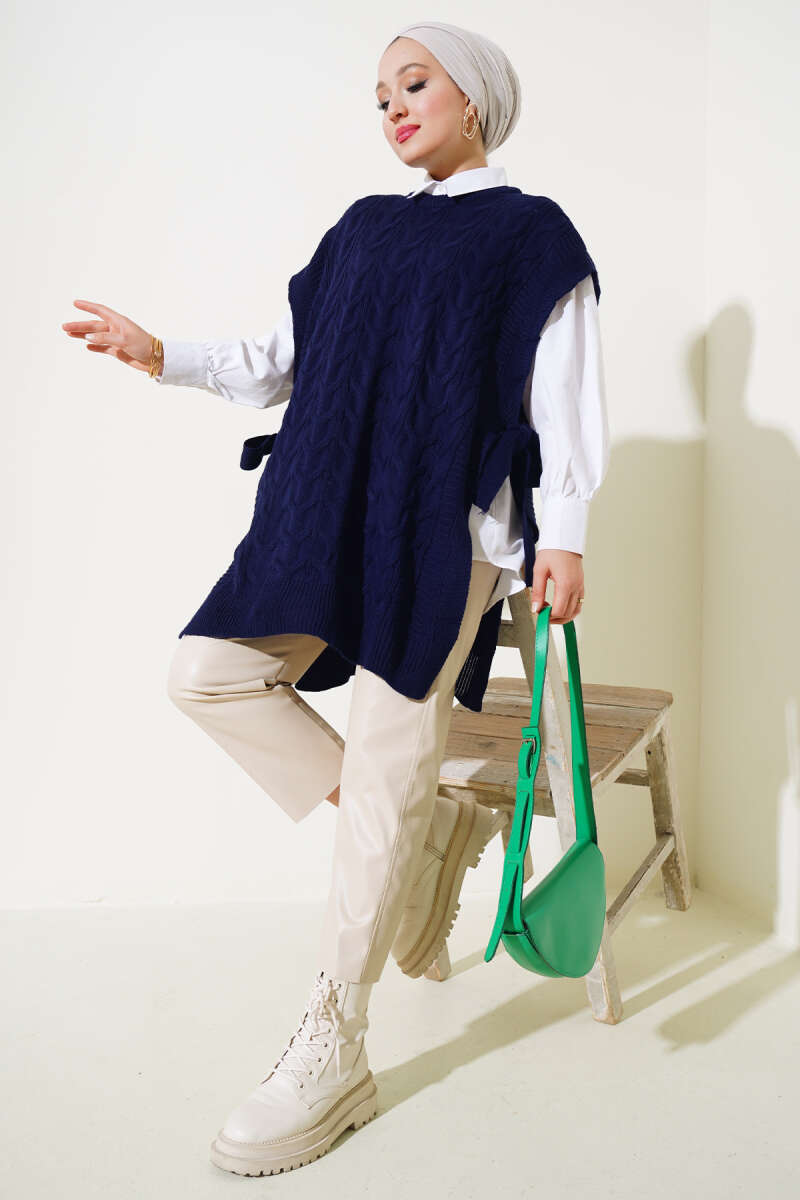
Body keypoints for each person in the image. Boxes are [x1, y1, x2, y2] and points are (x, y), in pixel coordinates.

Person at [61, 20, 609, 1176]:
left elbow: (560, 388)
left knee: (389, 749)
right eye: (379, 96)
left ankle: (336, 1037)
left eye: (413, 84)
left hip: (444, 528)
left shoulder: (529, 234)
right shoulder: (361, 228)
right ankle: (431, 829)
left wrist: (562, 535)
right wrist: (162, 353)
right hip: (330, 508)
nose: (392, 106)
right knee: (205, 673)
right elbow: (283, 356)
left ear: (473, 98)